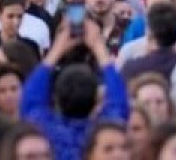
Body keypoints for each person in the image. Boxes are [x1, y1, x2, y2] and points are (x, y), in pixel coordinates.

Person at [20, 17, 128, 160]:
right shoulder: (103, 135)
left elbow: (30, 101)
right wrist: (98, 46)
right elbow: (119, 102)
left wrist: (57, 49)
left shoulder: (43, 130)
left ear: (55, 97)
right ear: (97, 99)